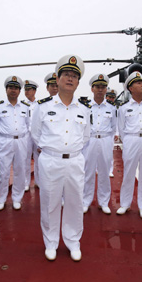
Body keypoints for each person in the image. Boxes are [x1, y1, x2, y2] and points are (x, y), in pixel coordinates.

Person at [31, 55, 90, 262]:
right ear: (57, 78)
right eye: (66, 74)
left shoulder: (84, 109)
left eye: (74, 76)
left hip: (75, 160)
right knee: (50, 202)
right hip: (51, 160)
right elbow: (36, 134)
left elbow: (85, 137)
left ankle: (73, 242)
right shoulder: (43, 106)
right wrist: (53, 150)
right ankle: (51, 242)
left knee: (75, 202)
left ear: (78, 82)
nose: (70, 78)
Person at [116, 71, 142, 219]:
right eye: (138, 83)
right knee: (128, 173)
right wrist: (128, 140)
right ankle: (125, 204)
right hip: (131, 140)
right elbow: (121, 128)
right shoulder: (123, 108)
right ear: (130, 88)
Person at [82, 74, 116, 215]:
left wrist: (109, 142)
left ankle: (103, 202)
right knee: (87, 172)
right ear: (92, 89)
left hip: (105, 140)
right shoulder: (85, 107)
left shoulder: (112, 108)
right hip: (89, 141)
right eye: (98, 87)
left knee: (104, 172)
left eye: (103, 87)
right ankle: (85, 201)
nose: (100, 90)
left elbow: (113, 127)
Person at [0, 76, 30, 211]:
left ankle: (17, 198)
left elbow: (28, 125)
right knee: (3, 172)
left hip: (21, 141)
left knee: (20, 171)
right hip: (5, 141)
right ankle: (1, 199)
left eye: (16, 88)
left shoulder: (25, 107)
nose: (13, 90)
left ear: (20, 90)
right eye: (11, 87)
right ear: (6, 89)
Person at [23, 79, 39, 191]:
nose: (26, 92)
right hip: (27, 135)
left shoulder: (40, 104)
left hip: (38, 135)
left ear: (34, 91)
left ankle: (38, 181)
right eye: (25, 89)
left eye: (29, 89)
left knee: (39, 160)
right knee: (26, 159)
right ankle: (25, 183)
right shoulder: (22, 105)